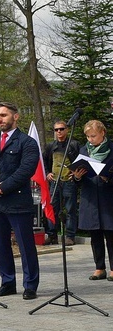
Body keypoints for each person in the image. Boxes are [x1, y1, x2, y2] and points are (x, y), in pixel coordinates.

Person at [0, 102, 40, 300]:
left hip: (17, 201)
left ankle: (30, 285)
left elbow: (26, 170)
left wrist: (1, 187)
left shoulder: (27, 142)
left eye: (3, 115)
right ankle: (7, 282)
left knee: (25, 245)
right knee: (1, 245)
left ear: (16, 117)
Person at [72, 120, 113, 281]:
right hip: (90, 198)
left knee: (110, 233)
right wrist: (76, 177)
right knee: (94, 233)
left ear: (103, 132)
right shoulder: (84, 150)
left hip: (108, 197)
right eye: (88, 136)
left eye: (93, 136)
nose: (90, 139)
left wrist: (107, 178)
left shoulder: (111, 149)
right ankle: (99, 267)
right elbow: (78, 177)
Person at [43, 119, 81, 246]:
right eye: (56, 129)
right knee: (52, 208)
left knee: (70, 209)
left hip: (69, 181)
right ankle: (52, 235)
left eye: (61, 129)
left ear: (67, 130)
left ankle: (70, 236)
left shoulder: (74, 145)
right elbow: (44, 162)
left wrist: (75, 173)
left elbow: (81, 161)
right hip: (54, 182)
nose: (59, 132)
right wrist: (47, 172)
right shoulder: (50, 146)